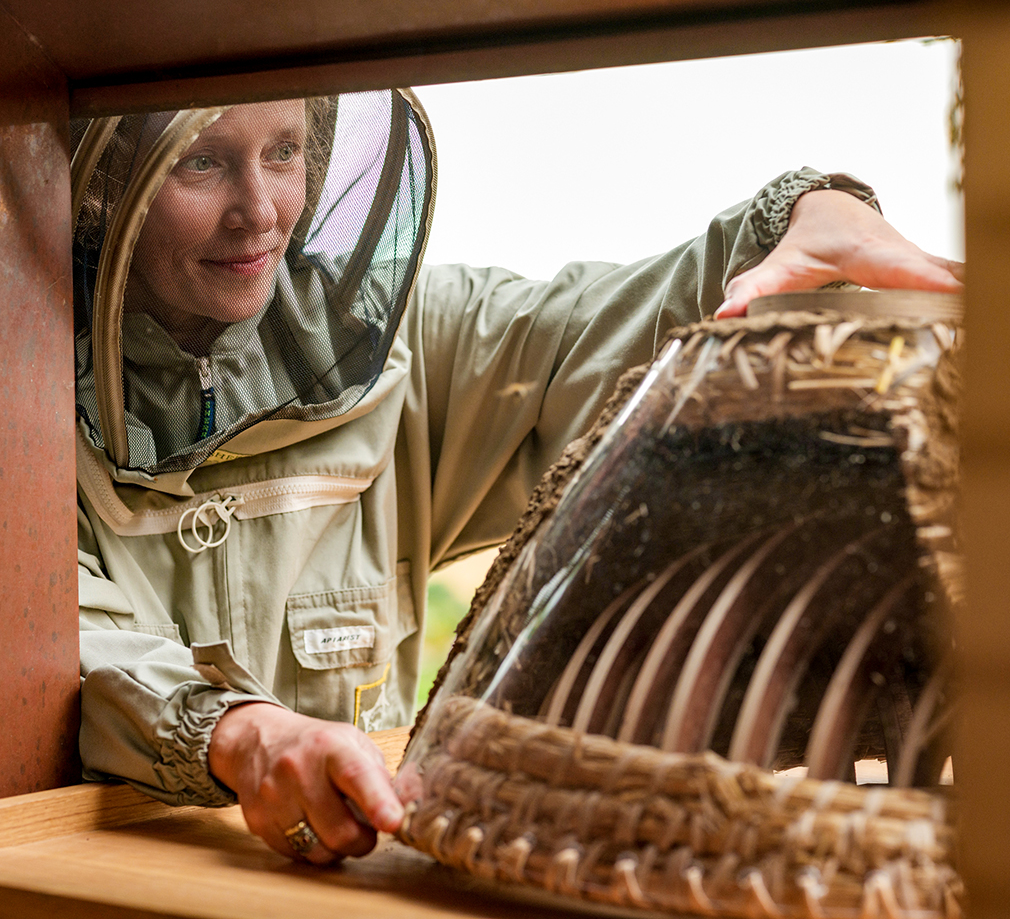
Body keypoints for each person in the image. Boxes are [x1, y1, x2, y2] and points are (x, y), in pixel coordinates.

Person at [73, 91, 962, 866]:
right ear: (111, 180)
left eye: (284, 152)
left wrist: (801, 220)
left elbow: (608, 334)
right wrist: (235, 732)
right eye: (202, 163)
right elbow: (64, 634)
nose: (259, 211)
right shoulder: (25, 394)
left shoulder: (403, 338)